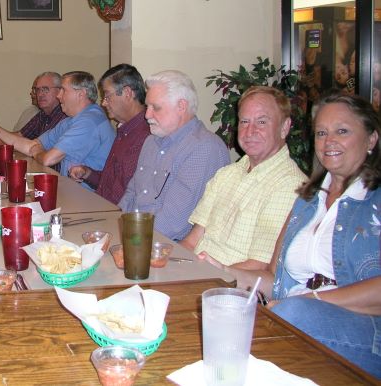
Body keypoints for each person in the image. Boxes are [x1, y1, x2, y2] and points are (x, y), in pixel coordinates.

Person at [204, 94, 380, 379]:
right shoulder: (307, 201)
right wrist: (220, 271)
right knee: (219, 308)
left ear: (371, 139)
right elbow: (275, 280)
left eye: (342, 131)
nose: (329, 141)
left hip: (366, 332)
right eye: (322, 133)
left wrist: (311, 300)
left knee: (291, 316)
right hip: (291, 311)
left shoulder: (375, 201)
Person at [181, 86, 307, 269]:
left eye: (262, 122)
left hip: (232, 289)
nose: (250, 131)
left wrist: (199, 277)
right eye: (244, 121)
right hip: (197, 274)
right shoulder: (226, 174)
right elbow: (192, 242)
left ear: (284, 127)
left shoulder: (290, 186)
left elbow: (259, 267)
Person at [118, 70, 229, 239]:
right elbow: (131, 194)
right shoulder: (151, 142)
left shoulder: (204, 148)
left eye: (156, 107)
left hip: (169, 248)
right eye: (147, 107)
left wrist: (128, 241)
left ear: (181, 107)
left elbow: (172, 223)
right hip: (137, 236)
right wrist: (115, 227)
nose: (147, 115)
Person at [0, 71, 115, 188]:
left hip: (91, 199)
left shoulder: (89, 121)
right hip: (70, 191)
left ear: (81, 94)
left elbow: (48, 159)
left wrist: (36, 151)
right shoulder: (71, 121)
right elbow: (30, 145)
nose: (59, 96)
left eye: (63, 90)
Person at [69, 64, 151, 205]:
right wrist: (87, 173)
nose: (103, 103)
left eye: (107, 96)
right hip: (101, 207)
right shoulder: (124, 130)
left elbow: (127, 198)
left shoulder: (145, 137)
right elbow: (111, 184)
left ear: (127, 93)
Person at [0, 71, 66, 148]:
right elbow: (20, 135)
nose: (40, 94)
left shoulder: (64, 115)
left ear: (60, 91)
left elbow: (37, 146)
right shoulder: (42, 115)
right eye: (37, 90)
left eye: (45, 89)